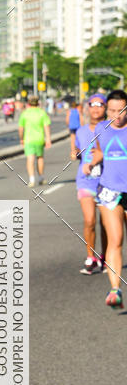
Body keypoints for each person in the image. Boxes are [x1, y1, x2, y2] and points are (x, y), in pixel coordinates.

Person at [83, 89, 127, 308]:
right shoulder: (101, 128)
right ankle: (115, 289)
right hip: (110, 190)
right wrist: (91, 162)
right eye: (111, 111)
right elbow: (100, 151)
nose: (116, 115)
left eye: (121, 111)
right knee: (115, 239)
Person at [72, 93, 107, 274]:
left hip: (107, 182)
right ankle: (91, 257)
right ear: (87, 108)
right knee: (90, 220)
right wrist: (77, 153)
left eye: (100, 104)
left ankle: (105, 256)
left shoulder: (111, 129)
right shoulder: (81, 131)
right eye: (92, 104)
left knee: (106, 224)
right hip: (85, 181)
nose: (95, 108)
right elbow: (78, 151)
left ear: (105, 108)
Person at [18, 95, 51, 186]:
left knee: (30, 159)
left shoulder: (25, 113)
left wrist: (21, 139)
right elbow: (46, 127)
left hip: (28, 139)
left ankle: (31, 179)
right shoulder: (42, 113)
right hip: (39, 139)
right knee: (40, 158)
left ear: (28, 103)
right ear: (38, 103)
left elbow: (21, 128)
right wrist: (48, 139)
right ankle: (41, 178)